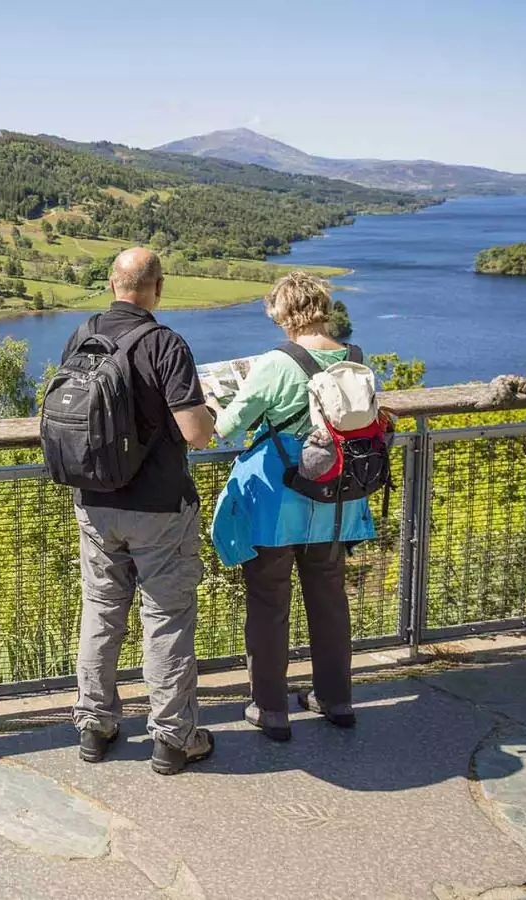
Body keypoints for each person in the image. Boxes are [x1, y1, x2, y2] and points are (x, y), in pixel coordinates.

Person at [206, 272, 377, 742]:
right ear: (323, 306)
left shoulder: (277, 362)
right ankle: (336, 700)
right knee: (329, 600)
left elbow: (227, 428)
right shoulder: (356, 360)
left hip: (277, 502)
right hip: (335, 501)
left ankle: (271, 709)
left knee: (268, 604)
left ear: (282, 314)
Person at [65, 247, 216, 774]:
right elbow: (196, 433)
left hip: (94, 501)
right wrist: (211, 415)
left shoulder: (82, 335)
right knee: (167, 618)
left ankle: (94, 725)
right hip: (158, 506)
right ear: (157, 288)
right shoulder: (166, 344)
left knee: (101, 609)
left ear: (112, 284)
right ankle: (174, 738)